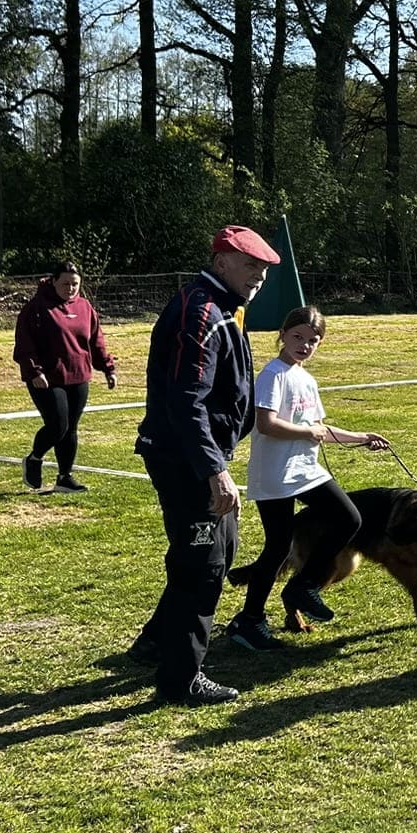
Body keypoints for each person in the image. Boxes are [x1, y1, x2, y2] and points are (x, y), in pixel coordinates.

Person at [129, 226, 278, 705]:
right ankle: (181, 678)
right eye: (250, 265)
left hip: (198, 454)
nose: (259, 277)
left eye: (264, 270)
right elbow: (186, 399)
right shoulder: (202, 312)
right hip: (186, 459)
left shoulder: (222, 306)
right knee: (204, 565)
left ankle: (157, 641)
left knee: (218, 549)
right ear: (221, 262)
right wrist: (214, 470)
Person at [224, 306, 390, 648]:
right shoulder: (273, 375)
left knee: (349, 518)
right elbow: (266, 424)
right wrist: (306, 432)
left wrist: (362, 437)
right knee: (277, 548)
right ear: (282, 336)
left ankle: (304, 585)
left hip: (305, 470)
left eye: (312, 340)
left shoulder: (306, 380)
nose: (304, 345)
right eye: (297, 337)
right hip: (275, 474)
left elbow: (320, 429)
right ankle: (250, 621)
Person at [13, 260, 118, 492]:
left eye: (74, 284)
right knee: (57, 425)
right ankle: (34, 458)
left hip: (79, 375)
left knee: (71, 428)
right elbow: (24, 344)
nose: (70, 288)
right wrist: (34, 371)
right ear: (53, 281)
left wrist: (108, 368)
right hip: (47, 378)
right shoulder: (37, 308)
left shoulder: (85, 307)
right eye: (65, 283)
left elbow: (96, 341)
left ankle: (64, 477)